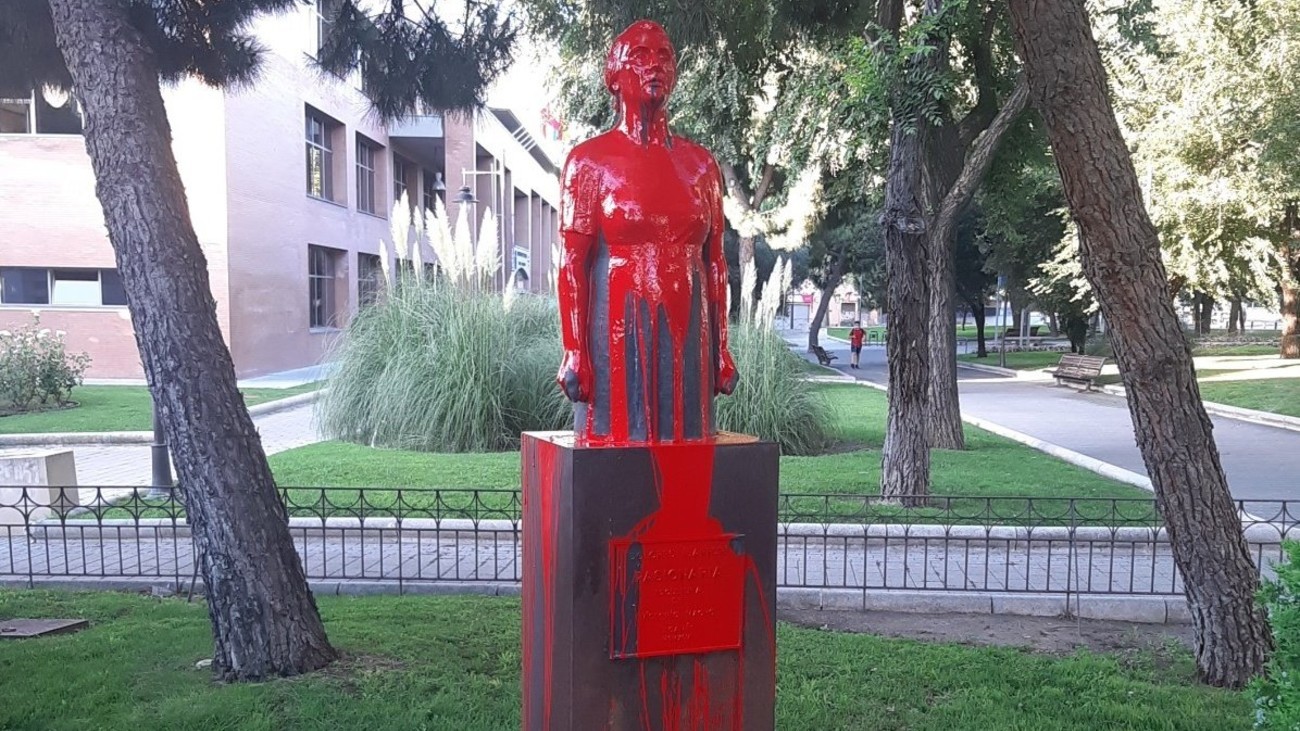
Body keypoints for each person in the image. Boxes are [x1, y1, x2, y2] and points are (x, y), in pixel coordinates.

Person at [554, 20, 737, 444]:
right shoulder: (588, 163)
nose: (654, 66)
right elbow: (572, 264)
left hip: (689, 335)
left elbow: (716, 264)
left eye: (664, 57)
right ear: (613, 77)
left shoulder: (701, 166)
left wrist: (721, 348)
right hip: (615, 334)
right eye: (639, 57)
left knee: (688, 456)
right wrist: (575, 349)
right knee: (617, 455)